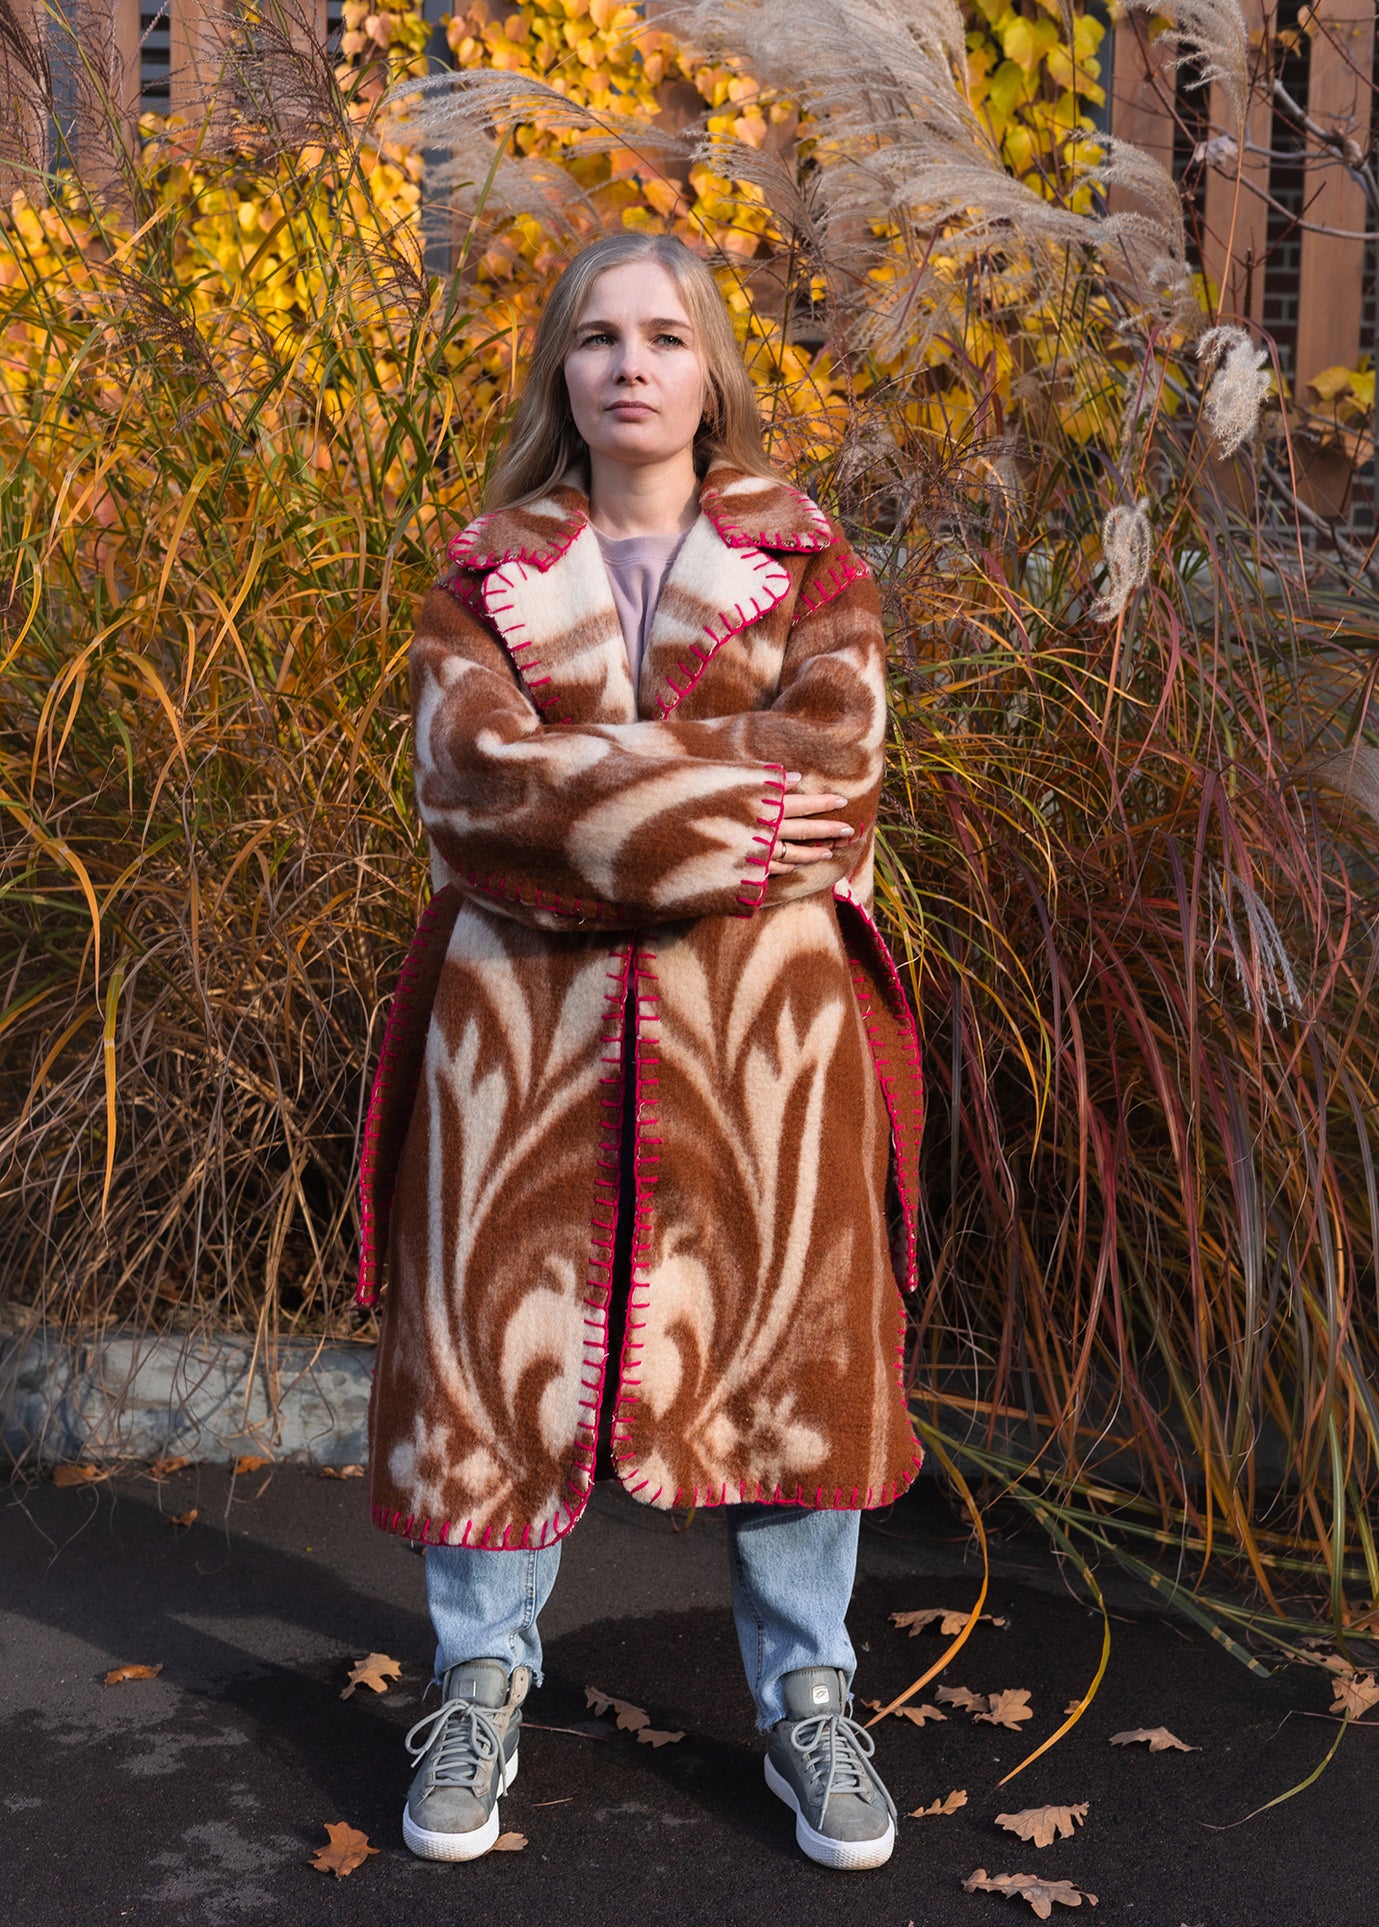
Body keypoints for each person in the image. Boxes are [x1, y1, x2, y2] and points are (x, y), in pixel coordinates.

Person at [356, 230, 926, 1873]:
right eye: (597, 336)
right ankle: (478, 1677)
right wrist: (707, 791)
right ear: (561, 368)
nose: (629, 364)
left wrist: (585, 790)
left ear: (708, 369)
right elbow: (468, 797)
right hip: (516, 1047)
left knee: (783, 1345)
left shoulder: (812, 569)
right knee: (493, 1352)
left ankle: (810, 1695)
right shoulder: (482, 575)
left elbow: (835, 776)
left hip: (768, 1041)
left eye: (663, 336)